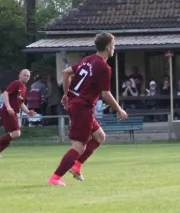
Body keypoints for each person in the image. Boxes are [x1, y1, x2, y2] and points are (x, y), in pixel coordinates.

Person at [48, 32, 128, 186]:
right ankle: (56, 177)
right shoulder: (103, 67)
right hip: (82, 107)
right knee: (79, 146)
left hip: (77, 104)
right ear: (107, 47)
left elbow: (66, 73)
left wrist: (66, 94)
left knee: (99, 136)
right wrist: (119, 109)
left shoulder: (87, 60)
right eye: (113, 46)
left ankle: (77, 166)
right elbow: (105, 94)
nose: (114, 48)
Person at [0, 70, 36, 157]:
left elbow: (21, 103)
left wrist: (28, 112)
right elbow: (5, 94)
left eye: (28, 76)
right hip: (7, 111)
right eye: (24, 75)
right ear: (19, 75)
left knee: (11, 135)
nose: (26, 77)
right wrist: (8, 107)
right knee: (17, 133)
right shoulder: (16, 83)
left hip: (12, 112)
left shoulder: (24, 88)